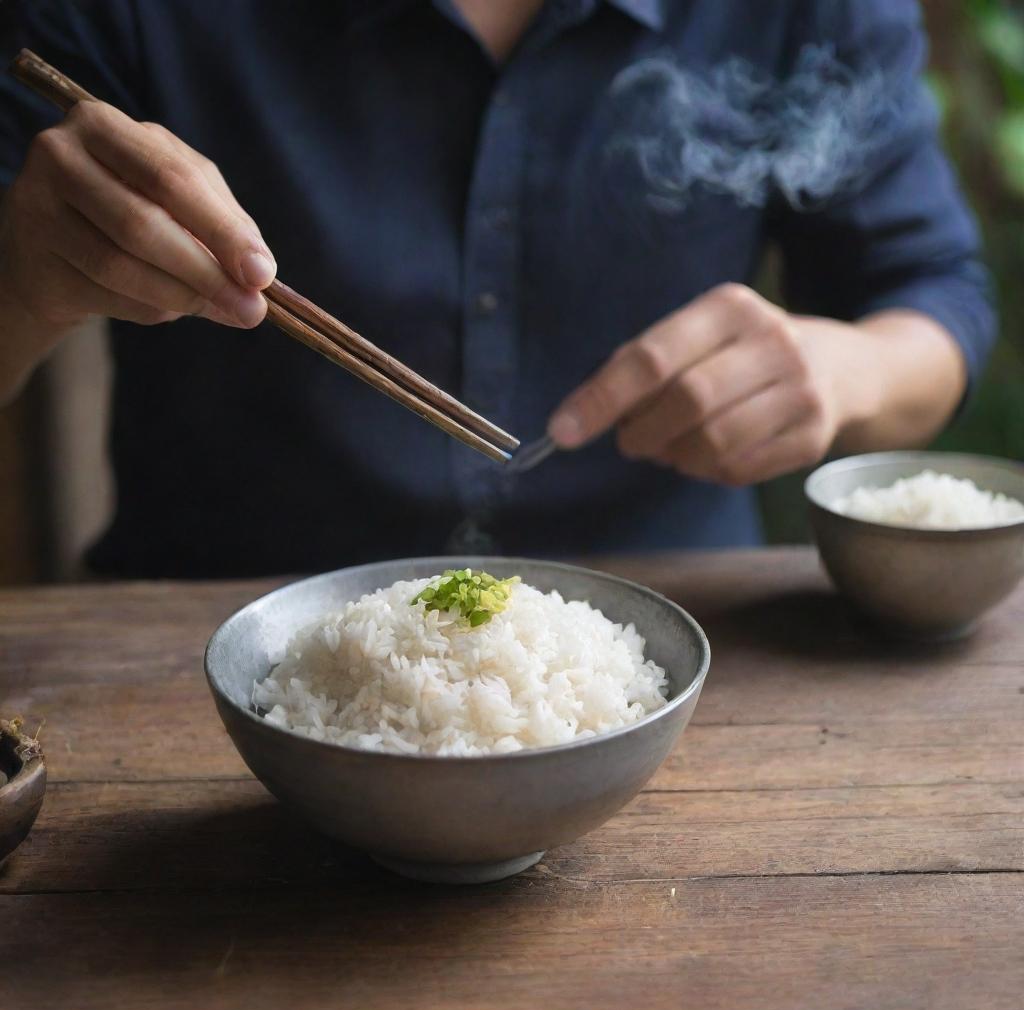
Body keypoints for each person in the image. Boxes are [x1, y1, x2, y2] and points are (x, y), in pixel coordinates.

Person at [0, 0, 995, 578]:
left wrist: (840, 370)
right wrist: (26, 280)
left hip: (674, 641)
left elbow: (934, 294)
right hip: (202, 640)